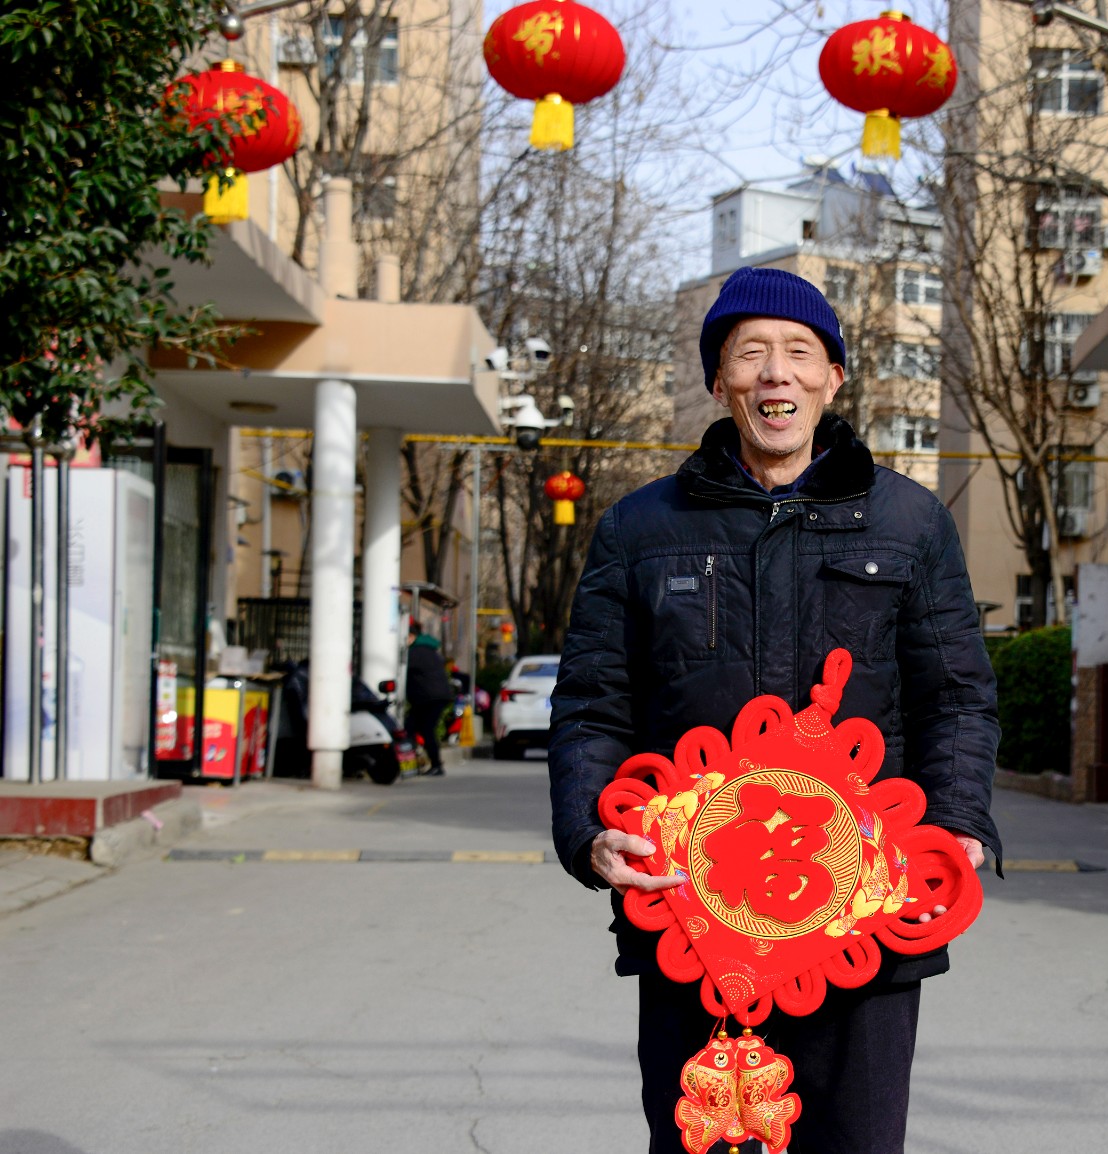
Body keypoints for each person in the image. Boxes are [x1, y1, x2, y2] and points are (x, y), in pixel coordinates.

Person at [548, 266, 1002, 1154]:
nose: (775, 374)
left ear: (835, 376)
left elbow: (956, 695)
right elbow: (593, 705)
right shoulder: (641, 530)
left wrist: (955, 823)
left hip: (868, 917)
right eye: (749, 354)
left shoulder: (908, 523)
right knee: (699, 1146)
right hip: (693, 918)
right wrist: (589, 837)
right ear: (719, 381)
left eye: (800, 352)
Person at [404, 623, 453, 776]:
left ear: (411, 637)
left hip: (429, 698)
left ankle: (435, 765)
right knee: (411, 728)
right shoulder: (429, 650)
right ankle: (415, 763)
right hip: (433, 697)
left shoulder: (415, 653)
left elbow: (400, 669)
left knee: (424, 730)